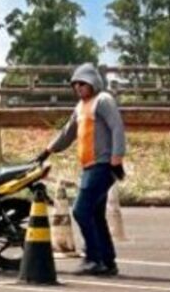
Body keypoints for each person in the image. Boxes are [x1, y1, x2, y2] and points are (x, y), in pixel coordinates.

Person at [34, 63, 126, 276]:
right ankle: (107, 261)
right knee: (95, 214)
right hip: (89, 166)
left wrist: (117, 157)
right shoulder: (80, 107)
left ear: (93, 83)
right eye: (75, 84)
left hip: (102, 165)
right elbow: (67, 133)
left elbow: (117, 127)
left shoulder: (103, 100)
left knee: (80, 211)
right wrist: (47, 151)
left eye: (82, 83)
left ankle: (93, 258)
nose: (78, 88)